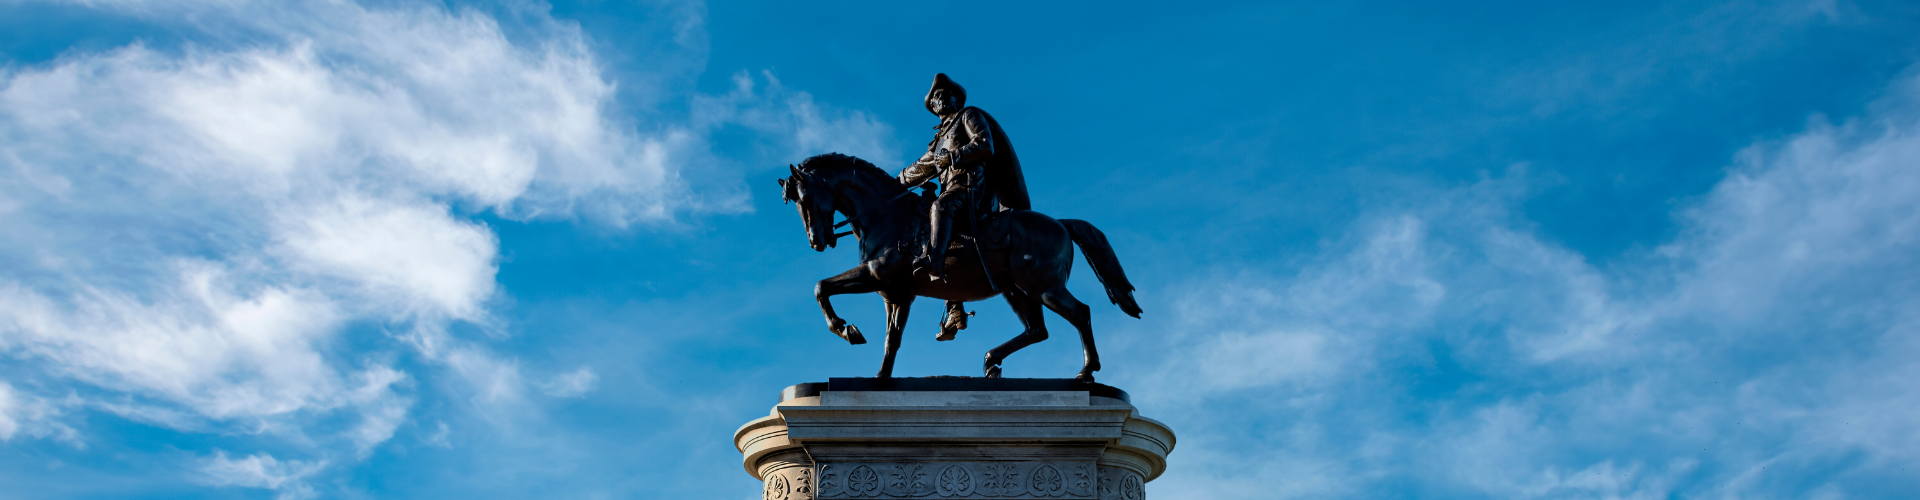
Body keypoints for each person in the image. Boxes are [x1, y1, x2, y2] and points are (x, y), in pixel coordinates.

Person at [897, 73, 1031, 340]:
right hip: (953, 190)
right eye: (936, 97)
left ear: (957, 99)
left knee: (940, 208)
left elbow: (985, 145)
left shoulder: (968, 116)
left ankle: (934, 263)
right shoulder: (937, 140)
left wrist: (954, 156)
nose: (941, 98)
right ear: (933, 108)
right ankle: (954, 304)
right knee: (921, 227)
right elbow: (921, 167)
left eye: (946, 94)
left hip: (972, 189)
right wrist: (894, 183)